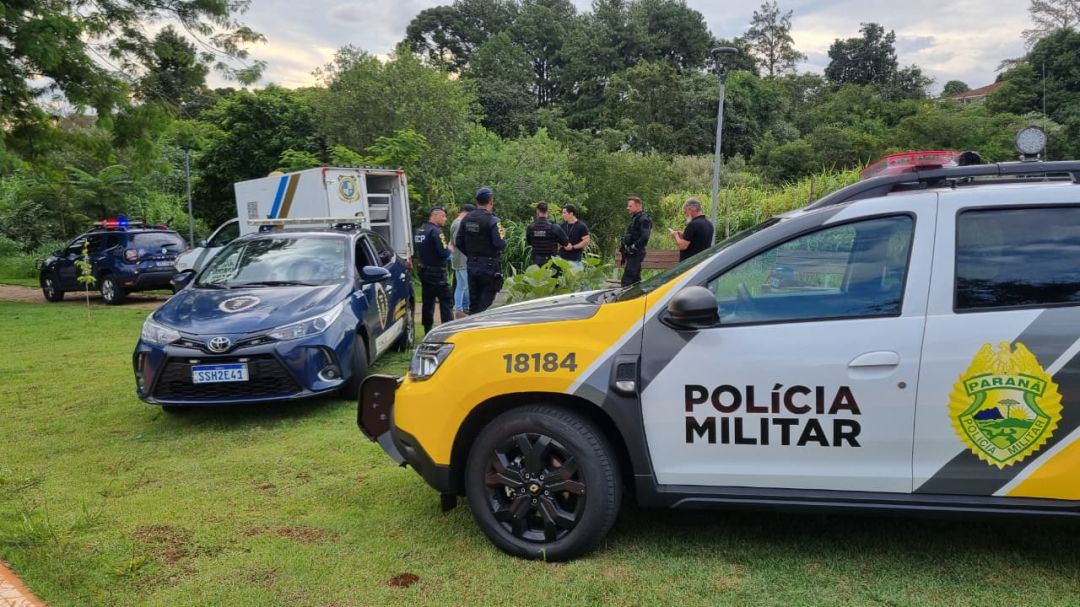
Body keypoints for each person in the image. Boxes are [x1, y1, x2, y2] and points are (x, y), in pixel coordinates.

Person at [455, 186, 506, 314]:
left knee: (474, 301)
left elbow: (458, 242)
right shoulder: (493, 220)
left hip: (472, 264)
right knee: (485, 303)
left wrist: (471, 254)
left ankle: (472, 327)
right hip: (489, 266)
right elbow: (500, 243)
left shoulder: (466, 219)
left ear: (476, 201)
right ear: (491, 201)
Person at [414, 206, 453, 334]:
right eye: (443, 216)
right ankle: (448, 330)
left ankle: (427, 330)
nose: (445, 219)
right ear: (435, 216)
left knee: (428, 302)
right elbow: (443, 253)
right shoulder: (436, 232)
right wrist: (449, 249)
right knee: (446, 301)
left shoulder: (420, 230)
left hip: (424, 271)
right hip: (437, 273)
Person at [619, 195, 652, 286]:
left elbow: (645, 237)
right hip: (631, 253)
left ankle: (624, 299)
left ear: (638, 206)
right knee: (635, 280)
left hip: (636, 253)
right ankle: (639, 297)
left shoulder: (644, 219)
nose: (627, 208)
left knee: (627, 280)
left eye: (630, 206)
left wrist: (633, 247)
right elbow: (630, 236)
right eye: (628, 206)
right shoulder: (635, 218)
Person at [448, 203, 474, 319]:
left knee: (461, 285)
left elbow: (451, 243)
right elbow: (457, 241)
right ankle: (460, 308)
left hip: (458, 257)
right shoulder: (459, 223)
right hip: (462, 258)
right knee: (465, 285)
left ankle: (462, 307)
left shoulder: (456, 222)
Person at [526, 202, 568, 267]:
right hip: (551, 262)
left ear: (537, 211)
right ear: (547, 211)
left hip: (536, 262)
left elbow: (529, 243)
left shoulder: (531, 228)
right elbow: (565, 242)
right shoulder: (554, 227)